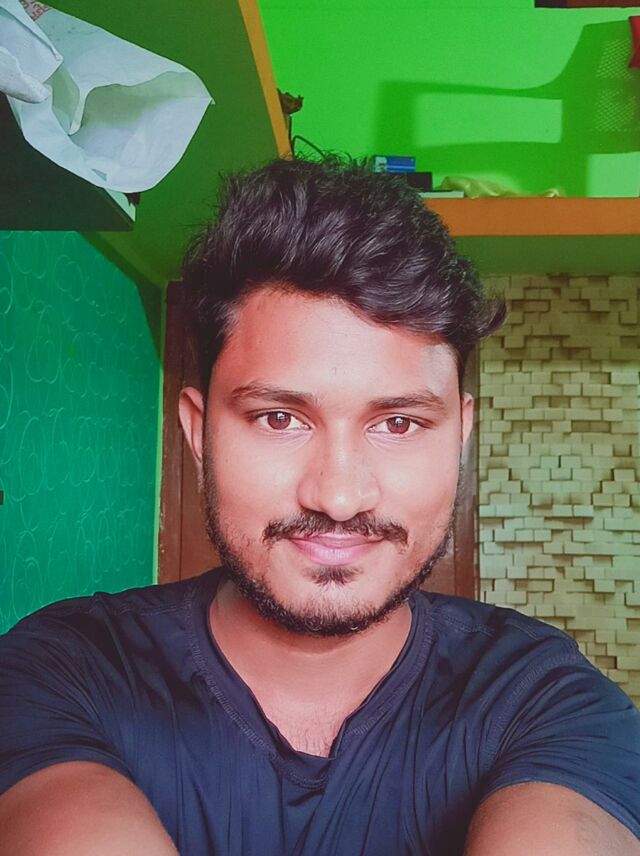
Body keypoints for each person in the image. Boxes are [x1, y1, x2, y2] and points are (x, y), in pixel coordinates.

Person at [0, 157, 638, 856]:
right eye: (279, 418)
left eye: (398, 423)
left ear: (460, 436)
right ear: (198, 434)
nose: (337, 497)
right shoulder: (64, 670)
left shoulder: (540, 696)